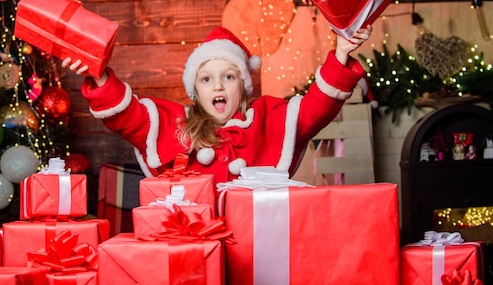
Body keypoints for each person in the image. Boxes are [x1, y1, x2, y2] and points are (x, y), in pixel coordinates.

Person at [62, 25, 372, 183]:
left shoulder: (269, 119)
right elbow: (127, 115)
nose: (219, 85)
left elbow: (315, 108)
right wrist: (100, 76)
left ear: (244, 86)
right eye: (206, 79)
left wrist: (342, 53)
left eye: (229, 77)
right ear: (195, 90)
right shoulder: (173, 123)